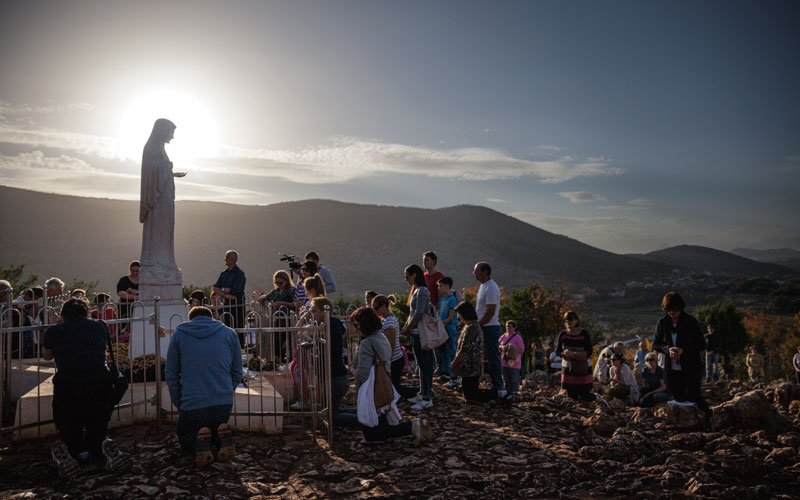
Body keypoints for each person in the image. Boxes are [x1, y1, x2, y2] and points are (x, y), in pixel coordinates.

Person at [42, 298, 129, 477]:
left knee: (69, 422)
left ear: (63, 314)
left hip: (68, 384)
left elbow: (46, 356)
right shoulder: (99, 326)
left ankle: (73, 453)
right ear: (86, 311)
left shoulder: (54, 331)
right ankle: (99, 450)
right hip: (99, 382)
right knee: (97, 420)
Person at [166, 306, 241, 467]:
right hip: (223, 402)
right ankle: (218, 442)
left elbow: (171, 374)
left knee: (185, 435)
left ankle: (198, 445)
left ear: (190, 319)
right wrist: (227, 391)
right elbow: (237, 371)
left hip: (193, 402)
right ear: (212, 317)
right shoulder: (229, 334)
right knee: (213, 431)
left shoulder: (180, 335)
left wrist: (180, 402)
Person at [351, 306, 425, 445]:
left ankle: (412, 427)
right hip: (383, 382)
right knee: (381, 421)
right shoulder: (381, 337)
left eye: (357, 325)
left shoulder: (367, 343)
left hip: (371, 388)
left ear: (364, 324)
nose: (356, 329)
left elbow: (362, 371)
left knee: (373, 431)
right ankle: (413, 426)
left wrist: (357, 382)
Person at [139, 118, 184, 287]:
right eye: (171, 132)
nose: (172, 137)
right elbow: (150, 172)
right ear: (162, 131)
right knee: (160, 227)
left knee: (167, 226)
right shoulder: (151, 148)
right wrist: (167, 168)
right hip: (157, 201)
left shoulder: (160, 149)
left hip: (165, 196)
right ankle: (157, 262)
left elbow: (159, 169)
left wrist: (171, 172)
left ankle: (165, 260)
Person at [652, 292, 710, 418]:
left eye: (675, 310)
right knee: (679, 397)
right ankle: (686, 424)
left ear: (680, 308)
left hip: (691, 367)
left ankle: (707, 419)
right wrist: (668, 350)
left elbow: (701, 344)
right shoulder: (662, 323)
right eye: (669, 310)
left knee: (694, 396)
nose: (672, 313)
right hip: (672, 370)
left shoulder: (691, 321)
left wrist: (684, 351)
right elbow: (656, 344)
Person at [308, 297, 358, 428]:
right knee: (332, 410)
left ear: (325, 311)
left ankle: (367, 420)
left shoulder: (330, 326)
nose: (311, 313)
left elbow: (329, 348)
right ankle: (366, 415)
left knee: (332, 417)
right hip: (336, 375)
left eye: (314, 311)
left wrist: (312, 336)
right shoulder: (332, 324)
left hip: (335, 376)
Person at [399, 264, 434, 411]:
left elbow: (418, 314)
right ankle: (422, 392)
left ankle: (426, 397)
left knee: (426, 366)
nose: (405, 279)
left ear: (414, 275)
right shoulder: (418, 291)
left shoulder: (422, 291)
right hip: (416, 334)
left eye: (407, 275)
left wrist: (408, 328)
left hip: (420, 334)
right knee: (422, 365)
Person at [452, 301, 498, 407]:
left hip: (471, 367)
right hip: (470, 366)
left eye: (459, 314)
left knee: (470, 396)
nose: (458, 317)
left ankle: (496, 394)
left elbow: (465, 350)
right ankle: (490, 398)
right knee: (469, 393)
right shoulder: (471, 326)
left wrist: (454, 364)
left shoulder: (472, 327)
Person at [373, 294, 416, 399]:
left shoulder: (390, 322)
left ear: (383, 307)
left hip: (394, 360)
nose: (375, 311)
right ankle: (418, 391)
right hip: (395, 359)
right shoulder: (386, 319)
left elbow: (390, 345)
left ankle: (418, 392)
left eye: (376, 308)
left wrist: (387, 362)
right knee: (394, 386)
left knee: (394, 388)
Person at [473, 261, 503, 392]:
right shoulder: (483, 286)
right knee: (481, 357)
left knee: (492, 357)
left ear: (485, 272)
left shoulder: (491, 287)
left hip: (489, 327)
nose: (474, 273)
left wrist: (479, 325)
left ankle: (497, 385)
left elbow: (491, 311)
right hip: (484, 326)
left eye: (476, 271)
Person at [556, 311, 594, 401]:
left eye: (570, 319)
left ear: (576, 320)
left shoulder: (584, 334)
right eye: (566, 320)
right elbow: (557, 351)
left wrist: (574, 354)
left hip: (582, 367)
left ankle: (598, 400)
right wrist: (563, 354)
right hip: (568, 368)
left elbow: (589, 351)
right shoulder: (563, 334)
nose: (568, 322)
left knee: (585, 395)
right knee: (572, 396)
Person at [213, 250, 246, 334]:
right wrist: (226, 294)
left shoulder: (240, 274)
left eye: (227, 257)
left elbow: (236, 291)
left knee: (238, 330)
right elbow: (215, 288)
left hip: (237, 306)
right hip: (226, 305)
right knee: (227, 329)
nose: (225, 260)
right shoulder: (224, 274)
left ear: (233, 259)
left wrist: (223, 290)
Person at [435, 277, 459, 382]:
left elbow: (450, 317)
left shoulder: (452, 299)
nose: (438, 288)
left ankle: (452, 373)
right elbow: (439, 313)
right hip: (442, 329)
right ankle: (444, 372)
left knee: (451, 350)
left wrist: (441, 324)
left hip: (450, 329)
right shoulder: (442, 300)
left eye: (440, 286)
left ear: (447, 286)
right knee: (442, 351)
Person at [499, 321, 524, 400]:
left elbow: (522, 349)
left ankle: (515, 397)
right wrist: (503, 348)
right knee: (506, 381)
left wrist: (512, 350)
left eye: (509, 326)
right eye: (506, 326)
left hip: (514, 364)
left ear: (514, 327)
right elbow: (498, 345)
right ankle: (507, 396)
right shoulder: (503, 336)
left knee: (514, 381)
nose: (507, 328)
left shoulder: (517, 337)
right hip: (504, 362)